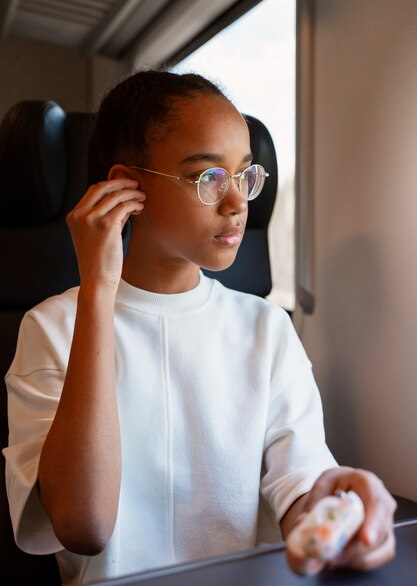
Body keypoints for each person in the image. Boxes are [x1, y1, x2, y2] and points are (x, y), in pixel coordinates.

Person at [3, 69, 396, 585]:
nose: (238, 204)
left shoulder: (267, 329)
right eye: (209, 178)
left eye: (245, 175)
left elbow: (300, 490)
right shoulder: (53, 326)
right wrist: (98, 289)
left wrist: (337, 512)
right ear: (127, 186)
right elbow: (85, 526)